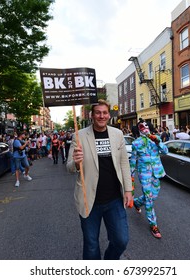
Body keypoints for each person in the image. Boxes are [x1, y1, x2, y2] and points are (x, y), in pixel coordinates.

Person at [66, 99, 132, 260]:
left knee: (121, 240)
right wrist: (75, 161)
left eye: (104, 113)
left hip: (114, 199)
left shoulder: (117, 134)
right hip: (89, 200)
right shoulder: (79, 136)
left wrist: (128, 190)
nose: (101, 116)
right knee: (91, 245)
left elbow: (124, 162)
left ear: (109, 115)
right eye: (98, 113)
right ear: (92, 115)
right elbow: (69, 167)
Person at [130, 122, 168, 238]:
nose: (145, 129)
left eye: (147, 127)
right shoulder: (136, 143)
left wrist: (158, 142)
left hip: (157, 172)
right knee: (149, 199)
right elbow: (133, 161)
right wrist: (131, 177)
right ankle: (153, 225)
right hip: (144, 174)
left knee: (154, 196)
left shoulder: (156, 139)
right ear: (139, 130)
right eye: (142, 127)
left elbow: (166, 151)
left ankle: (137, 202)